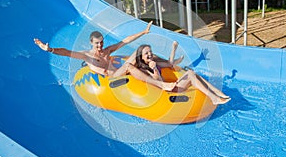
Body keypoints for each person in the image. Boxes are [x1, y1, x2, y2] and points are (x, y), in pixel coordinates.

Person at [34, 21, 176, 90]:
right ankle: (161, 85)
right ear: (91, 42)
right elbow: (67, 53)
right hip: (111, 77)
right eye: (97, 44)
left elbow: (125, 41)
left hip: (118, 70)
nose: (100, 46)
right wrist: (50, 49)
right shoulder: (86, 56)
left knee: (142, 49)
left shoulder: (107, 51)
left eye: (101, 43)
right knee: (128, 65)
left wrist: (143, 32)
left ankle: (169, 64)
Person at [134, 43, 231, 105]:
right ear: (141, 57)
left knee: (191, 73)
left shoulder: (154, 62)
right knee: (190, 75)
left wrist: (173, 48)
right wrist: (154, 68)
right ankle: (214, 98)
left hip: (170, 86)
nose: (150, 54)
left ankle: (216, 93)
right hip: (166, 92)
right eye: (146, 53)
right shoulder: (142, 70)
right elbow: (158, 83)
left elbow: (170, 64)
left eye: (150, 51)